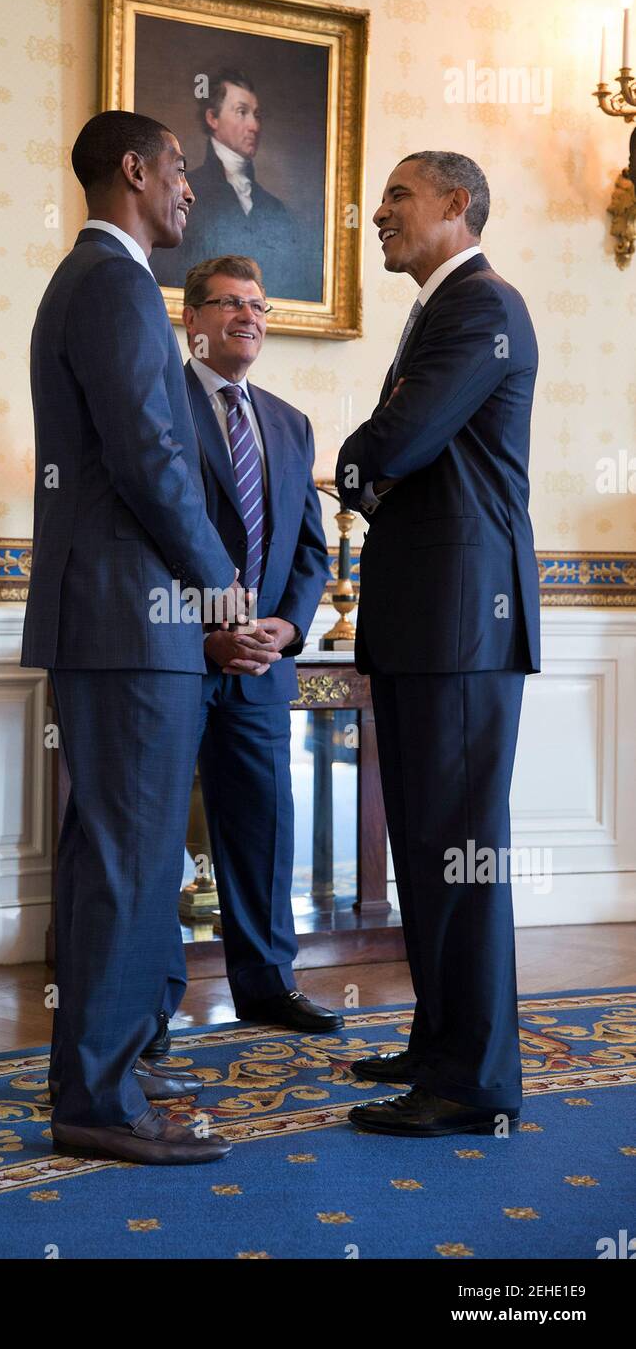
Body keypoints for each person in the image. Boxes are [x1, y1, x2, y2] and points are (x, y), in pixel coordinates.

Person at [20, 110, 240, 1165]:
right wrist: (221, 589)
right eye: (181, 170)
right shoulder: (110, 283)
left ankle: (97, 1077)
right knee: (125, 857)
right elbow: (151, 459)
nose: (190, 191)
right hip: (125, 611)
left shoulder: (100, 281)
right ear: (135, 168)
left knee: (116, 855)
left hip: (118, 613)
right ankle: (100, 1105)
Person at [336, 151, 540, 1137]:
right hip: (431, 623)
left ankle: (473, 1080)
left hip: (464, 623)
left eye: (397, 199)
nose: (378, 215)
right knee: (427, 848)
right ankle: (437, 1043)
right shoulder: (442, 309)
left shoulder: (480, 307)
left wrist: (355, 461)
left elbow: (398, 439)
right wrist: (372, 465)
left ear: (456, 206)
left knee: (460, 850)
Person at [141, 255, 334, 1058]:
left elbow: (311, 552)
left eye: (259, 305)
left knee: (263, 827)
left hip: (262, 667)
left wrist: (287, 629)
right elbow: (149, 541)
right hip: (179, 658)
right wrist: (204, 634)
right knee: (154, 838)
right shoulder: (158, 408)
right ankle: (150, 1006)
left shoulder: (290, 424)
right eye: (228, 304)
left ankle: (267, 982)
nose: (249, 316)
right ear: (193, 319)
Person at [150, 70, 320, 301]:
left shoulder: (276, 210)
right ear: (212, 118)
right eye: (242, 112)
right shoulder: (181, 198)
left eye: (257, 115)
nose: (254, 126)